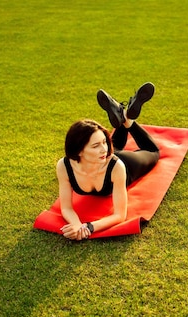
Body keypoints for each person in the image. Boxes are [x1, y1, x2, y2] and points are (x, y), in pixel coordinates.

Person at [56, 82, 159, 240]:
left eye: (104, 141)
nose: (104, 148)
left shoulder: (116, 166)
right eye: (96, 145)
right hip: (98, 161)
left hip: (126, 164)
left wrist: (88, 227)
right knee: (114, 146)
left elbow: (119, 215)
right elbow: (66, 208)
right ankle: (121, 115)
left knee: (153, 152)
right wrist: (76, 225)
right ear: (78, 150)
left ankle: (129, 121)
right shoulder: (64, 166)